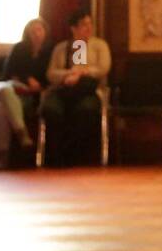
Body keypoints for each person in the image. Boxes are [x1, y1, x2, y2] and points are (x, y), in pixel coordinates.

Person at [41, 9, 112, 165]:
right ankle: (56, 157)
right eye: (83, 25)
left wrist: (82, 72)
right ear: (73, 28)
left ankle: (78, 155)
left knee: (85, 110)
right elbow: (51, 73)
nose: (88, 28)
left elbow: (103, 68)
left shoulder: (99, 45)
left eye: (90, 24)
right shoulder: (61, 48)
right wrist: (69, 74)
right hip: (63, 90)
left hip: (88, 91)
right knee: (51, 110)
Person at [0, 17, 49, 168]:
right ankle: (22, 132)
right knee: (5, 90)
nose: (36, 34)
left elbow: (47, 79)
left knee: (0, 110)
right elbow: (8, 73)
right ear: (27, 34)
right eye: (32, 31)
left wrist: (36, 84)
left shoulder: (48, 53)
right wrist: (27, 78)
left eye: (39, 30)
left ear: (45, 32)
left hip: (22, 97)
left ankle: (3, 156)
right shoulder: (19, 48)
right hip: (1, 88)